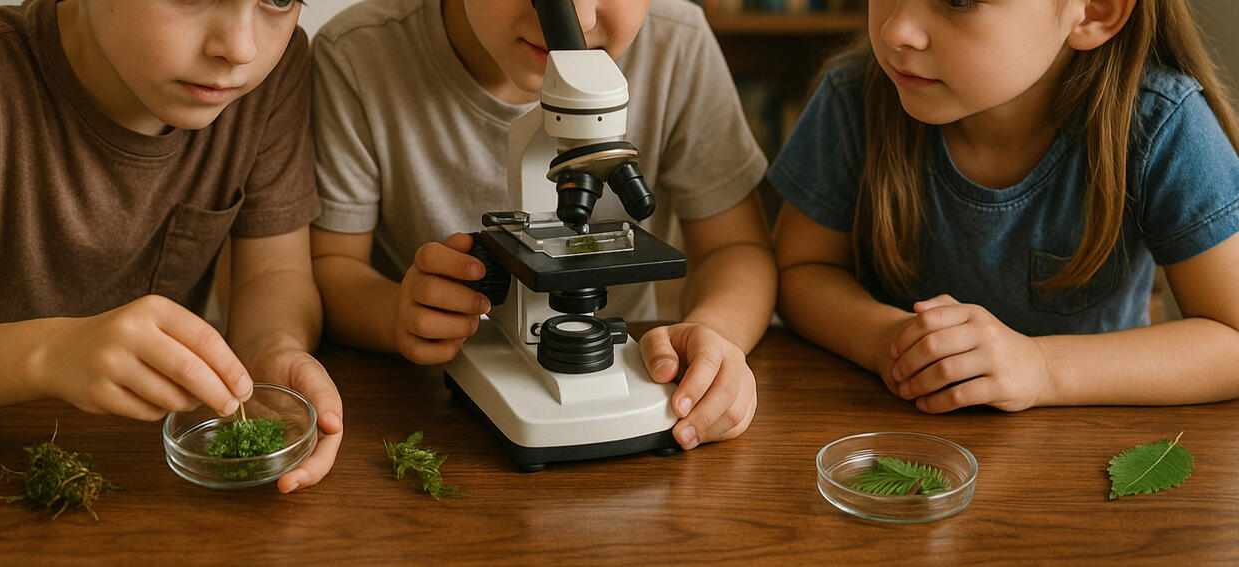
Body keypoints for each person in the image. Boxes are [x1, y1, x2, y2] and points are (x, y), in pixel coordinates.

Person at [0, 0, 342, 493]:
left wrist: (271, 349)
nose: (239, 47)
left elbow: (274, 273)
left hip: (134, 474)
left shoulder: (267, 77)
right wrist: (54, 355)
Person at [309, 0, 776, 450]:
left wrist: (715, 336)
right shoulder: (358, 55)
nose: (580, 18)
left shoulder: (680, 44)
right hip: (423, 397)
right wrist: (399, 314)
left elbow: (735, 251)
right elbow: (331, 267)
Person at [772, 0, 1239, 413]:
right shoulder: (853, 99)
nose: (897, 30)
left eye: (959, 1)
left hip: (1085, 453)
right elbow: (802, 268)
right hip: (901, 438)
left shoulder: (1162, 126)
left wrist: (1041, 369)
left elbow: (1231, 338)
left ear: (1094, 9)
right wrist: (885, 340)